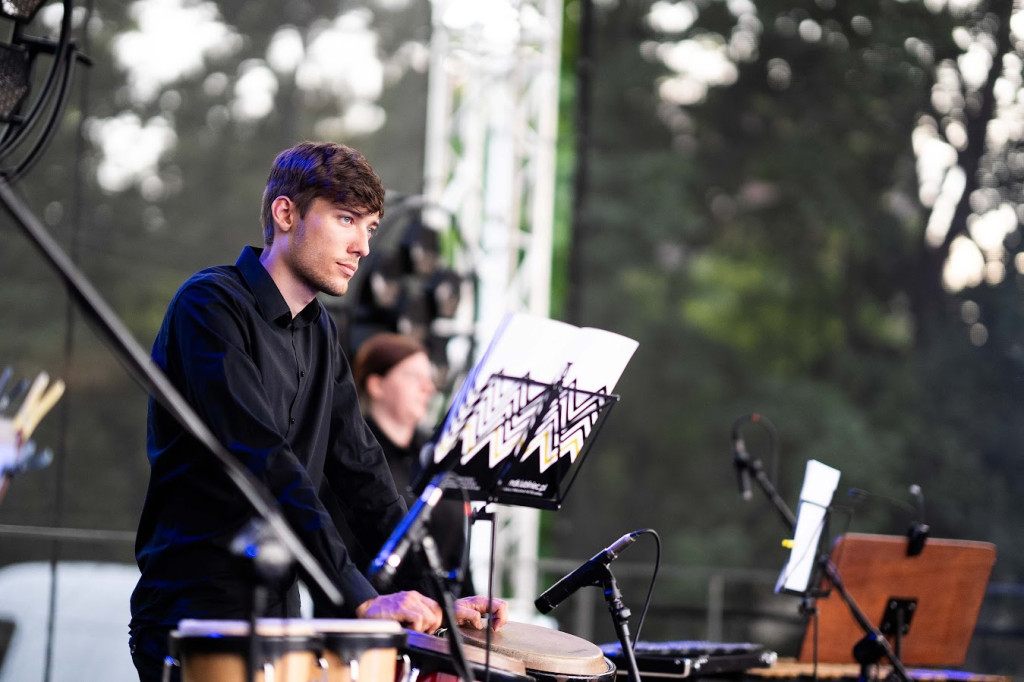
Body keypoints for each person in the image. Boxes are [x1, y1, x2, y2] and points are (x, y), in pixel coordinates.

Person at [128, 142, 506, 682]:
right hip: (197, 610)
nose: (362, 246)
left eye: (371, 227)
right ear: (285, 214)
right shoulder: (209, 306)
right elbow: (264, 461)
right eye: (346, 219)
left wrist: (440, 594)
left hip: (281, 615)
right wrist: (356, 595)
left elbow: (362, 468)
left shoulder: (320, 330)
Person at [347, 333, 477, 597]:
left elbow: (457, 554)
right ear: (376, 385)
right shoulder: (349, 457)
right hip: (377, 622)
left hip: (445, 620)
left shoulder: (440, 456)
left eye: (429, 378)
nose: (428, 388)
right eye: (412, 376)